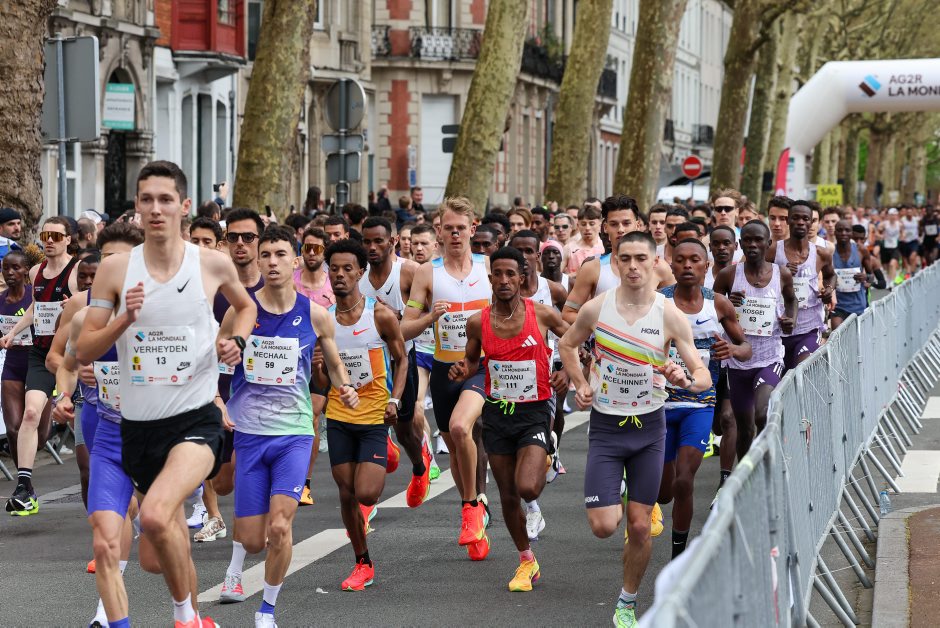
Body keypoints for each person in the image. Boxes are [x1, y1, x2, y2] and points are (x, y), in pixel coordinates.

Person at [76, 160, 257, 628]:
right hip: (138, 428)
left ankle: (185, 618)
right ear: (137, 207)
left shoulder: (211, 263)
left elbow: (246, 307)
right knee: (157, 553)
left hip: (195, 420)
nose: (156, 209)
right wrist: (124, 320)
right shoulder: (115, 270)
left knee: (154, 516)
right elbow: (84, 349)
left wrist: (236, 341)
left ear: (183, 205)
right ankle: (190, 612)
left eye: (165, 199)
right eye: (147, 200)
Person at [559, 231, 711, 628]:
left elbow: (703, 376)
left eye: (640, 258)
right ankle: (619, 489)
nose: (632, 266)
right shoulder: (597, 308)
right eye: (624, 258)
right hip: (607, 429)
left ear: (655, 261)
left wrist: (683, 377)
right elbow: (567, 345)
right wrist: (581, 384)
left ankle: (626, 602)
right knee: (603, 526)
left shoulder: (669, 314)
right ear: (614, 262)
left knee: (641, 526)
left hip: (649, 429)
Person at [219, 226, 351, 625]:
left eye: (280, 255)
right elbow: (215, 361)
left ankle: (267, 610)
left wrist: (346, 388)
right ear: (257, 261)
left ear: (294, 261)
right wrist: (216, 398)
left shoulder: (315, 314)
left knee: (280, 527)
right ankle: (239, 563)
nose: (273, 262)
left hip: (294, 433)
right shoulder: (241, 311)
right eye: (266, 255)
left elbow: (334, 363)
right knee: (252, 539)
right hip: (249, 433)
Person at [451, 246, 568, 590]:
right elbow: (472, 361)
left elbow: (575, 339)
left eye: (510, 274)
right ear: (490, 279)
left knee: (527, 486)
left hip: (534, 410)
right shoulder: (478, 322)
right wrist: (462, 370)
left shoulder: (542, 314)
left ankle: (547, 451)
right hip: (498, 413)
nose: (504, 280)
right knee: (507, 494)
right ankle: (526, 560)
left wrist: (566, 371)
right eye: (498, 274)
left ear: (521, 278)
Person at [47, 221, 144, 628]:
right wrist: (64, 394)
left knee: (158, 548)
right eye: (106, 259)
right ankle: (107, 615)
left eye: (121, 260)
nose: (111, 267)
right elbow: (63, 362)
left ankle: (187, 613)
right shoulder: (83, 312)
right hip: (103, 421)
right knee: (106, 528)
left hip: (157, 433)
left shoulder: (167, 313)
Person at [402, 197, 491, 558]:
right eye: (448, 228)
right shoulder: (427, 273)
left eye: (461, 228)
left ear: (473, 229)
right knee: (455, 449)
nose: (455, 234)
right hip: (444, 370)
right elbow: (404, 329)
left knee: (459, 427)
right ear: (438, 231)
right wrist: (430, 318)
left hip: (481, 367)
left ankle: (471, 508)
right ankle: (473, 513)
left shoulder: (487, 267)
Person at [313, 238, 405, 590]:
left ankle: (387, 452)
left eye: (347, 269)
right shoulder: (323, 320)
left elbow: (402, 360)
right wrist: (319, 369)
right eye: (334, 269)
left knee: (366, 494)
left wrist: (395, 400)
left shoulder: (378, 315)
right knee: (347, 492)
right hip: (339, 417)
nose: (339, 275)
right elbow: (324, 381)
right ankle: (362, 561)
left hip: (374, 418)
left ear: (360, 273)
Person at [658, 239, 751, 558]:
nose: (687, 265)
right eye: (680, 259)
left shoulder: (719, 304)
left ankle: (679, 558)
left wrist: (733, 349)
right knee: (664, 492)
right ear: (671, 265)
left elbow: (746, 348)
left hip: (699, 404)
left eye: (694, 259)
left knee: (684, 481)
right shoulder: (657, 302)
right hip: (658, 404)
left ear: (706, 266)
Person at [197, 208, 268, 544]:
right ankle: (215, 513)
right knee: (222, 480)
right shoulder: (208, 287)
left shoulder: (274, 285)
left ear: (260, 241)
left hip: (262, 391)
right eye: (233, 237)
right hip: (217, 382)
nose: (240, 243)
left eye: (248, 237)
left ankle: (260, 516)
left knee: (252, 462)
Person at [1, 216, 79, 515]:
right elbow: (36, 307)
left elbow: (92, 304)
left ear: (68, 240)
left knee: (81, 423)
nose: (49, 241)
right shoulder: (36, 271)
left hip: (71, 357)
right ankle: (24, 487)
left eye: (56, 236)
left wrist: (73, 306)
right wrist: (13, 332)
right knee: (31, 413)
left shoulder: (75, 272)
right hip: (41, 354)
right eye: (45, 236)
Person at [359, 217, 435, 507]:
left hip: (402, 357)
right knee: (366, 426)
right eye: (367, 241)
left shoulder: (408, 271)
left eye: (378, 241)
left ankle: (419, 466)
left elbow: (432, 310)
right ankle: (365, 506)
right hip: (367, 360)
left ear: (391, 242)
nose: (372, 247)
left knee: (406, 430)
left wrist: (397, 318)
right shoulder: (357, 273)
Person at [713, 220, 796, 472]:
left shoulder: (782, 274)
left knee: (762, 413)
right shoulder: (729, 275)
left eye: (758, 239)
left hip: (770, 357)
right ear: (740, 244)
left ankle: (769, 467)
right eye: (747, 240)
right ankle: (747, 478)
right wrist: (728, 302)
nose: (752, 244)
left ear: (768, 243)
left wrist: (790, 320)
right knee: (745, 428)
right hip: (738, 361)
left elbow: (792, 300)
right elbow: (713, 308)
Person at [509, 230, 569, 539]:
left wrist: (568, 370)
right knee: (516, 449)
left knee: (544, 434)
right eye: (517, 251)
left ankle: (551, 449)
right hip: (511, 378)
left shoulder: (553, 290)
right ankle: (533, 509)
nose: (523, 257)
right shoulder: (502, 291)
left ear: (537, 255)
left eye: (529, 251)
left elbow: (572, 330)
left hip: (548, 371)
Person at [563, 196, 673, 326]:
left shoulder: (660, 267)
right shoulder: (593, 268)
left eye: (626, 223)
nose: (621, 229)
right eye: (614, 224)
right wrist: (605, 326)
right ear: (605, 227)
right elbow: (568, 313)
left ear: (637, 225)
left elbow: (675, 313)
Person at [767, 201, 835, 370]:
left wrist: (829, 289)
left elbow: (830, 275)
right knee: (785, 378)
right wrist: (780, 272)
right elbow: (758, 280)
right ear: (788, 220)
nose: (800, 222)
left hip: (809, 327)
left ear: (811, 222)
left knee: (802, 370)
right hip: (779, 328)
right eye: (795, 218)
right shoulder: (773, 250)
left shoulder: (821, 253)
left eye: (805, 219)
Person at [0, 251, 33, 483]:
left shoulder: (34, 297)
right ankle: (24, 481)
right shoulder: (0, 300)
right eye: (5, 268)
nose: (10, 272)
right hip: (12, 364)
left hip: (36, 363)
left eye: (16, 268)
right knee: (13, 429)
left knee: (40, 437)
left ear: (26, 271)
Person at [830, 219, 873, 330]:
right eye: (840, 230)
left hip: (857, 305)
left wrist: (865, 277)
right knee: (837, 336)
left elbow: (871, 277)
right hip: (838, 305)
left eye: (847, 230)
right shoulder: (830, 251)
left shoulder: (861, 250)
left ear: (851, 233)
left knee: (857, 338)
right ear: (835, 232)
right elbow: (825, 277)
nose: (843, 233)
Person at [565, 205, 604, 275]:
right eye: (583, 224)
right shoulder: (569, 248)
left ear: (600, 225)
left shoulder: (605, 248)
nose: (587, 228)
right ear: (578, 225)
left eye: (592, 224)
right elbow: (557, 277)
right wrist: (574, 275)